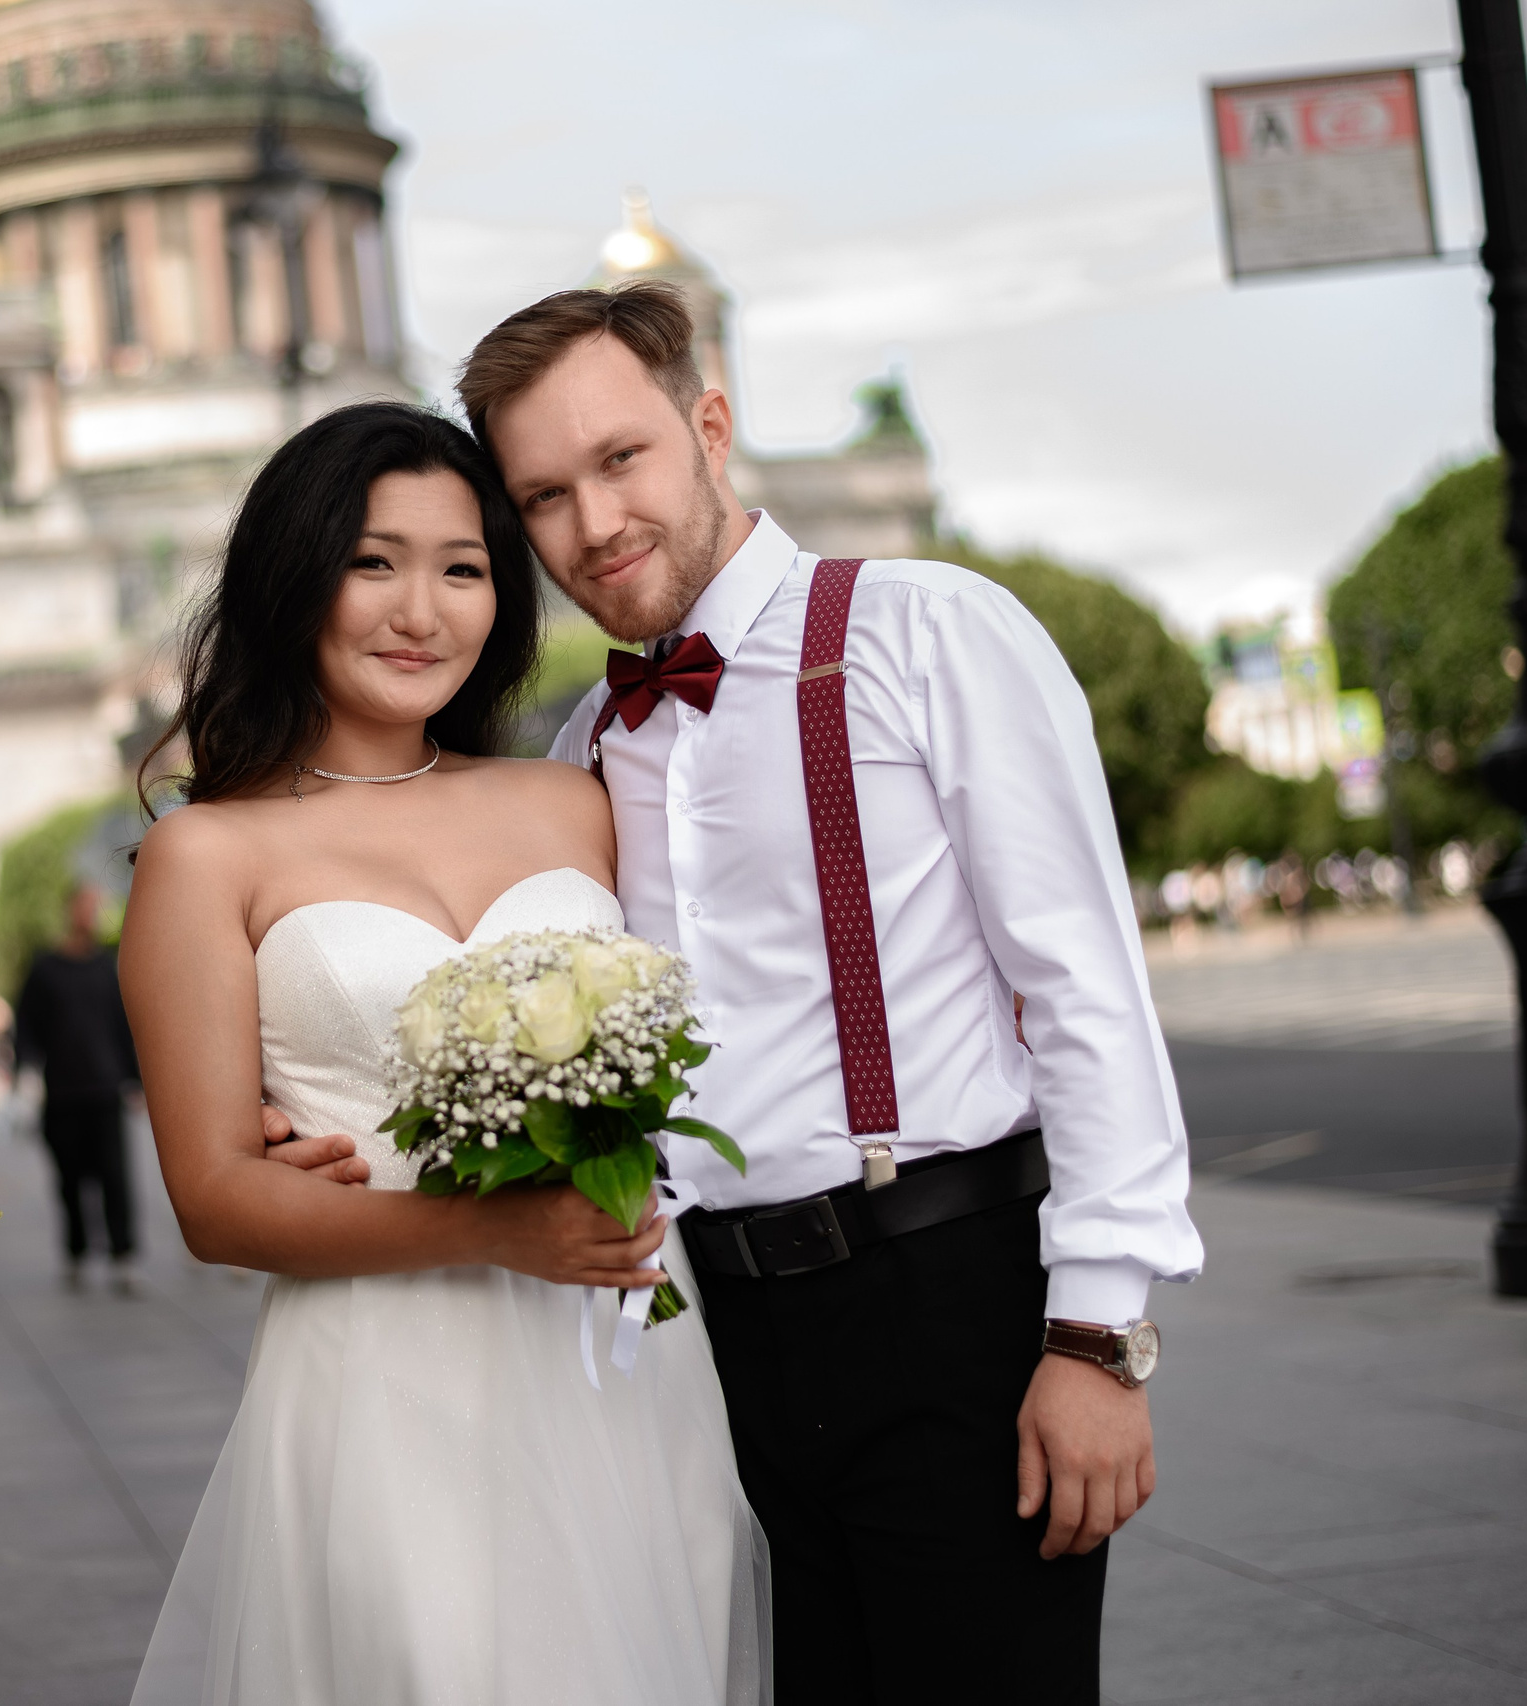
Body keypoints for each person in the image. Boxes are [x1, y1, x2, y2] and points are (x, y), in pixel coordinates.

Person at [460, 280, 1204, 1704]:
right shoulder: (585, 744)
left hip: (945, 1300)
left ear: (709, 426)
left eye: (621, 458)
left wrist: (1098, 1336)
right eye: (544, 494)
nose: (594, 524)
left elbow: (1086, 987)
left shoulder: (928, 632)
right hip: (713, 1349)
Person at [120, 400, 760, 1705]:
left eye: (462, 568)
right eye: (374, 562)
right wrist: (491, 1229)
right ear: (294, 577)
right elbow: (214, 1199)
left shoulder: (572, 799)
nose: (421, 611)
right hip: (387, 1381)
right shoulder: (205, 854)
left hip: (622, 1356)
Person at [14, 884, 142, 1292]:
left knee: (115, 1176)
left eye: (96, 906)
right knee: (69, 1179)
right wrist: (26, 1077)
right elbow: (26, 1025)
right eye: (86, 905)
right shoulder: (45, 968)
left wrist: (134, 1079)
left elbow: (122, 1024)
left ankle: (123, 1256)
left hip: (105, 1089)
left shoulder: (105, 966)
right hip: (62, 1092)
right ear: (70, 909)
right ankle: (77, 1252)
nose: (92, 913)